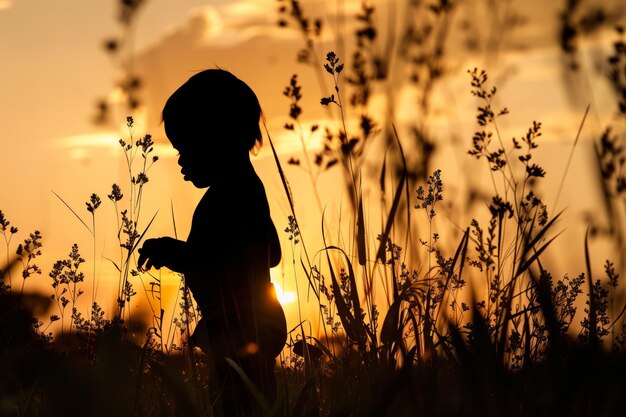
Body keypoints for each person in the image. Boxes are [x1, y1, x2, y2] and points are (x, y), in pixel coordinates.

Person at [137, 69, 287, 416]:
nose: (180, 159)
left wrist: (174, 251)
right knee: (241, 401)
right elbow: (272, 252)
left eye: (187, 146)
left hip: (241, 324)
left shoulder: (233, 194)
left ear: (221, 138)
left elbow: (215, 256)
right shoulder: (245, 190)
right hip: (243, 321)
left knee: (237, 404)